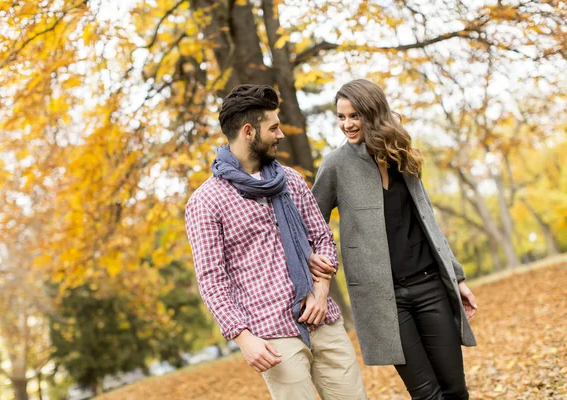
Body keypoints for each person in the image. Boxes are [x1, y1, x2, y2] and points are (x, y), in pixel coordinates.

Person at [185, 84, 367, 400]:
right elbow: (213, 282)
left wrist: (321, 291)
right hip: (270, 334)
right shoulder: (206, 202)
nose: (281, 134)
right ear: (248, 132)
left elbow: (322, 238)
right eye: (274, 127)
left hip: (322, 318)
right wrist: (243, 339)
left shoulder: (290, 180)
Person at [311, 79, 477, 400]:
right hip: (385, 299)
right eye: (341, 117)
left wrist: (456, 278)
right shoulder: (336, 166)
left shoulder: (403, 157)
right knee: (427, 395)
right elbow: (311, 222)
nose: (347, 124)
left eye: (354, 115)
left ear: (373, 113)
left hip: (430, 286)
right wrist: (318, 262)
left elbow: (428, 221)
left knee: (455, 389)